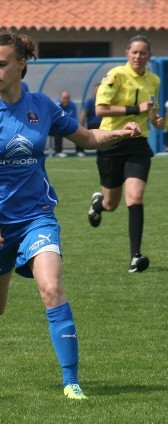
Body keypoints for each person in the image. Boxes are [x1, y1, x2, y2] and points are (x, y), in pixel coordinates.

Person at [0, 31, 141, 400]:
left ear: (21, 64)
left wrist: (120, 132)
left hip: (36, 217)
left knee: (52, 288)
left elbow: (85, 137)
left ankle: (71, 381)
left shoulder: (43, 105)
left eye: (1, 64)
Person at [87, 35, 164, 273]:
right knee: (112, 203)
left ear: (149, 56)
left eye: (143, 53)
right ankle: (98, 205)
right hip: (112, 142)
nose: (139, 57)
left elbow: (152, 111)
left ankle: (135, 257)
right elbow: (100, 110)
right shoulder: (116, 75)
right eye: (135, 52)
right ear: (127, 53)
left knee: (135, 197)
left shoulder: (154, 80)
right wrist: (134, 109)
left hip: (138, 144)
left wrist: (157, 120)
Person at [53, 90, 81, 157]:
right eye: (64, 98)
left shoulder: (73, 105)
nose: (66, 100)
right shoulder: (56, 104)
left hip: (69, 124)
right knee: (57, 131)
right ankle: (58, 152)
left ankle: (80, 151)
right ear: (60, 98)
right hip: (58, 125)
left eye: (67, 98)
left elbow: (74, 117)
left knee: (78, 131)